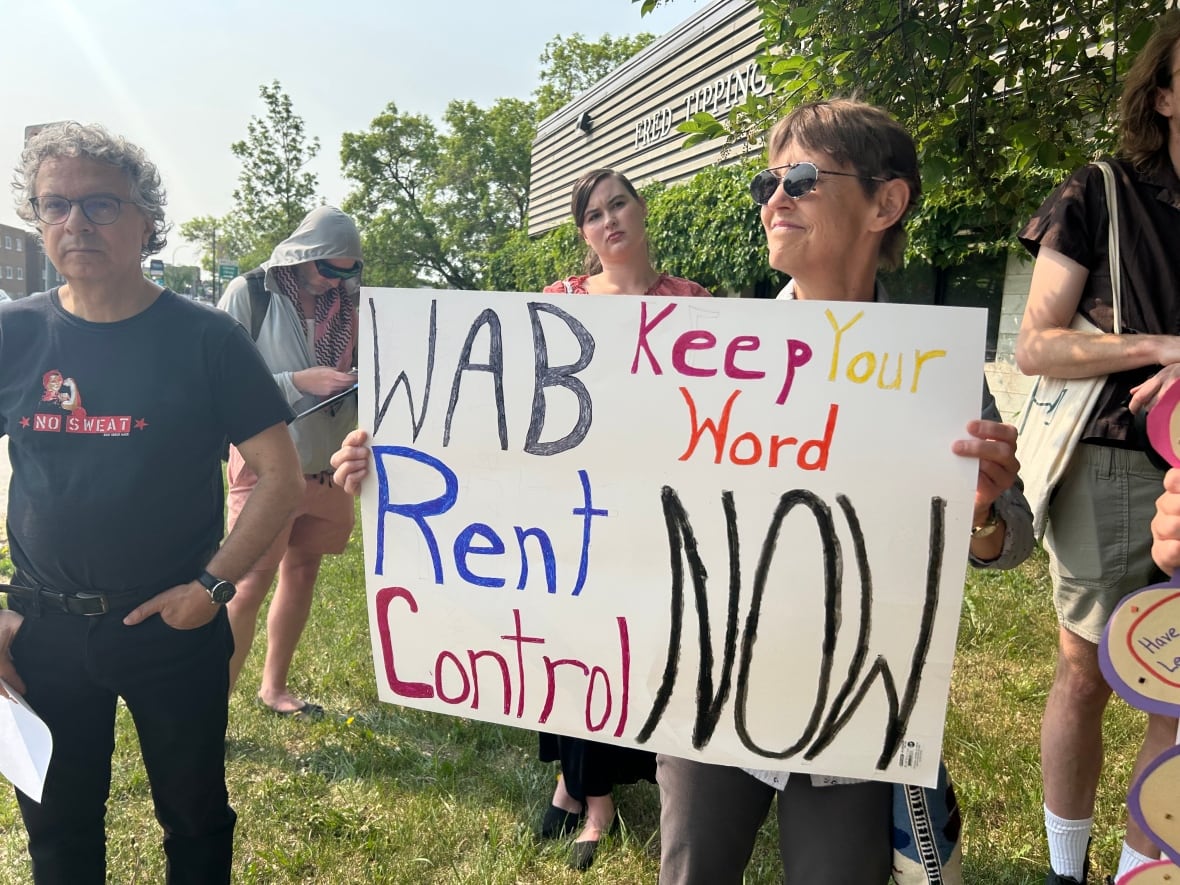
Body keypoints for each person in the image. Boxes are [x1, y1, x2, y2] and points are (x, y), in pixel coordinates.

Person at [651, 99, 1035, 885]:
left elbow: (1011, 544)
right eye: (767, 181)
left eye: (799, 178)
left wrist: (983, 512)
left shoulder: (940, 371)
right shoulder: (713, 354)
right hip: (717, 678)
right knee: (692, 868)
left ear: (885, 203)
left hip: (857, 697)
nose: (774, 200)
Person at [0, 122, 303, 884]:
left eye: (101, 205)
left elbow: (280, 473)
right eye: (55, 205)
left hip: (173, 625)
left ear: (146, 220)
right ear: (38, 220)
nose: (76, 224)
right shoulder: (13, 334)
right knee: (59, 833)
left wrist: (211, 588)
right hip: (42, 630)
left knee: (196, 818)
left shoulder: (207, 339)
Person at [1015, 13, 1180, 883]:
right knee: (1087, 672)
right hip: (1115, 461)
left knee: (1179, 684)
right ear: (1163, 94)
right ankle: (1063, 869)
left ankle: (1136, 867)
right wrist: (1160, 347)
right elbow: (1037, 344)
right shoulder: (1101, 191)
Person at [537, 168, 710, 870]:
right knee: (573, 642)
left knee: (630, 642)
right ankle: (590, 795)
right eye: (592, 213)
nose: (608, 220)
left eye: (618, 204)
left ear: (641, 212)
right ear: (583, 233)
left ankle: (576, 783)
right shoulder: (557, 301)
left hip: (656, 504)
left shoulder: (693, 303)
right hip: (570, 499)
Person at [218, 206, 362, 717]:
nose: (337, 281)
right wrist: (299, 382)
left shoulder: (353, 306)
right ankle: (213, 706)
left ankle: (274, 687)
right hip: (266, 467)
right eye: (328, 268)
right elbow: (220, 382)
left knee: (303, 570)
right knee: (247, 583)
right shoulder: (251, 294)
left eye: (349, 270)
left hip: (326, 463)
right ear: (303, 255)